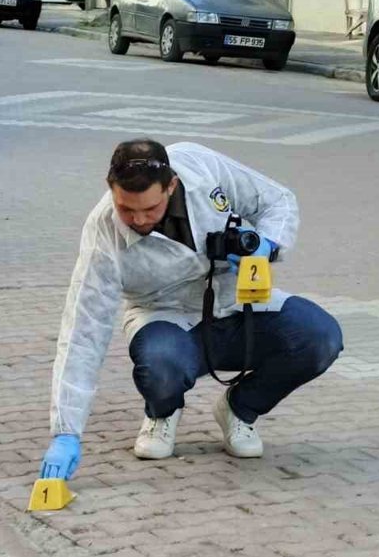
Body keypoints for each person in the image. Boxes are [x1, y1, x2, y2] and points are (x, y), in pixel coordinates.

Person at [38, 139, 344, 480]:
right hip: (164, 316)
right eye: (126, 209)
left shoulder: (199, 166)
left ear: (172, 185)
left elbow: (277, 200)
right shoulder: (103, 232)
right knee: (161, 365)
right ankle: (162, 413)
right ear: (111, 189)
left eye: (150, 208)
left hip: (236, 303)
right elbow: (83, 331)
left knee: (320, 338)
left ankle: (240, 409)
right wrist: (66, 432)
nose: (138, 219)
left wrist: (268, 244)